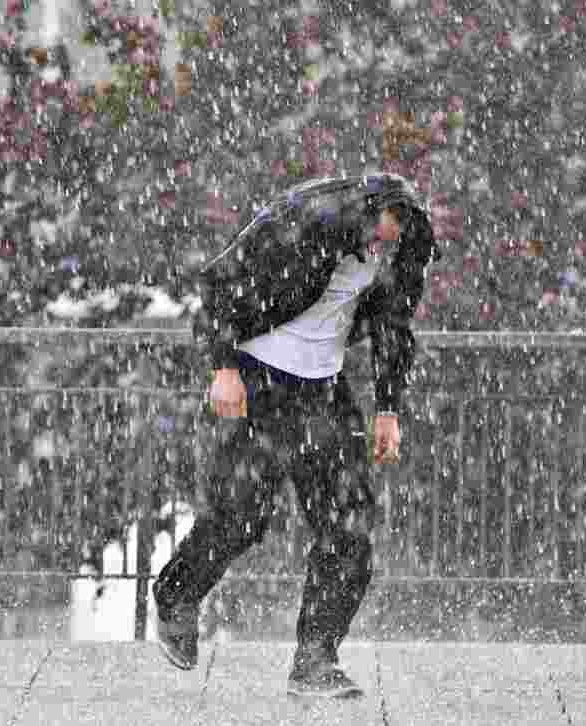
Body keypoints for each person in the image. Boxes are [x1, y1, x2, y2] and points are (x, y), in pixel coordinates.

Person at [152, 173, 441, 699]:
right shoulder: (308, 218)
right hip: (260, 378)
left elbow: (394, 327)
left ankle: (315, 660)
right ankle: (177, 593)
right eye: (386, 225)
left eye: (400, 230)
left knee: (349, 527)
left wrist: (388, 408)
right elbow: (218, 283)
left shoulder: (402, 249)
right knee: (240, 516)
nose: (390, 238)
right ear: (365, 211)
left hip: (324, 389)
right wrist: (224, 367)